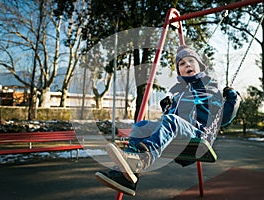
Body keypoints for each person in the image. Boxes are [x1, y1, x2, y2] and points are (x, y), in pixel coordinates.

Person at [95, 45, 241, 196]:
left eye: (191, 61)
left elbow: (224, 118)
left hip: (198, 134)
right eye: (182, 64)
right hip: (179, 133)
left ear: (200, 66)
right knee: (140, 126)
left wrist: (233, 98)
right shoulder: (179, 93)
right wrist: (167, 108)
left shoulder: (210, 90)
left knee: (172, 121)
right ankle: (128, 176)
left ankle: (144, 159)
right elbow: (171, 119)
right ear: (179, 71)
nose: (187, 65)